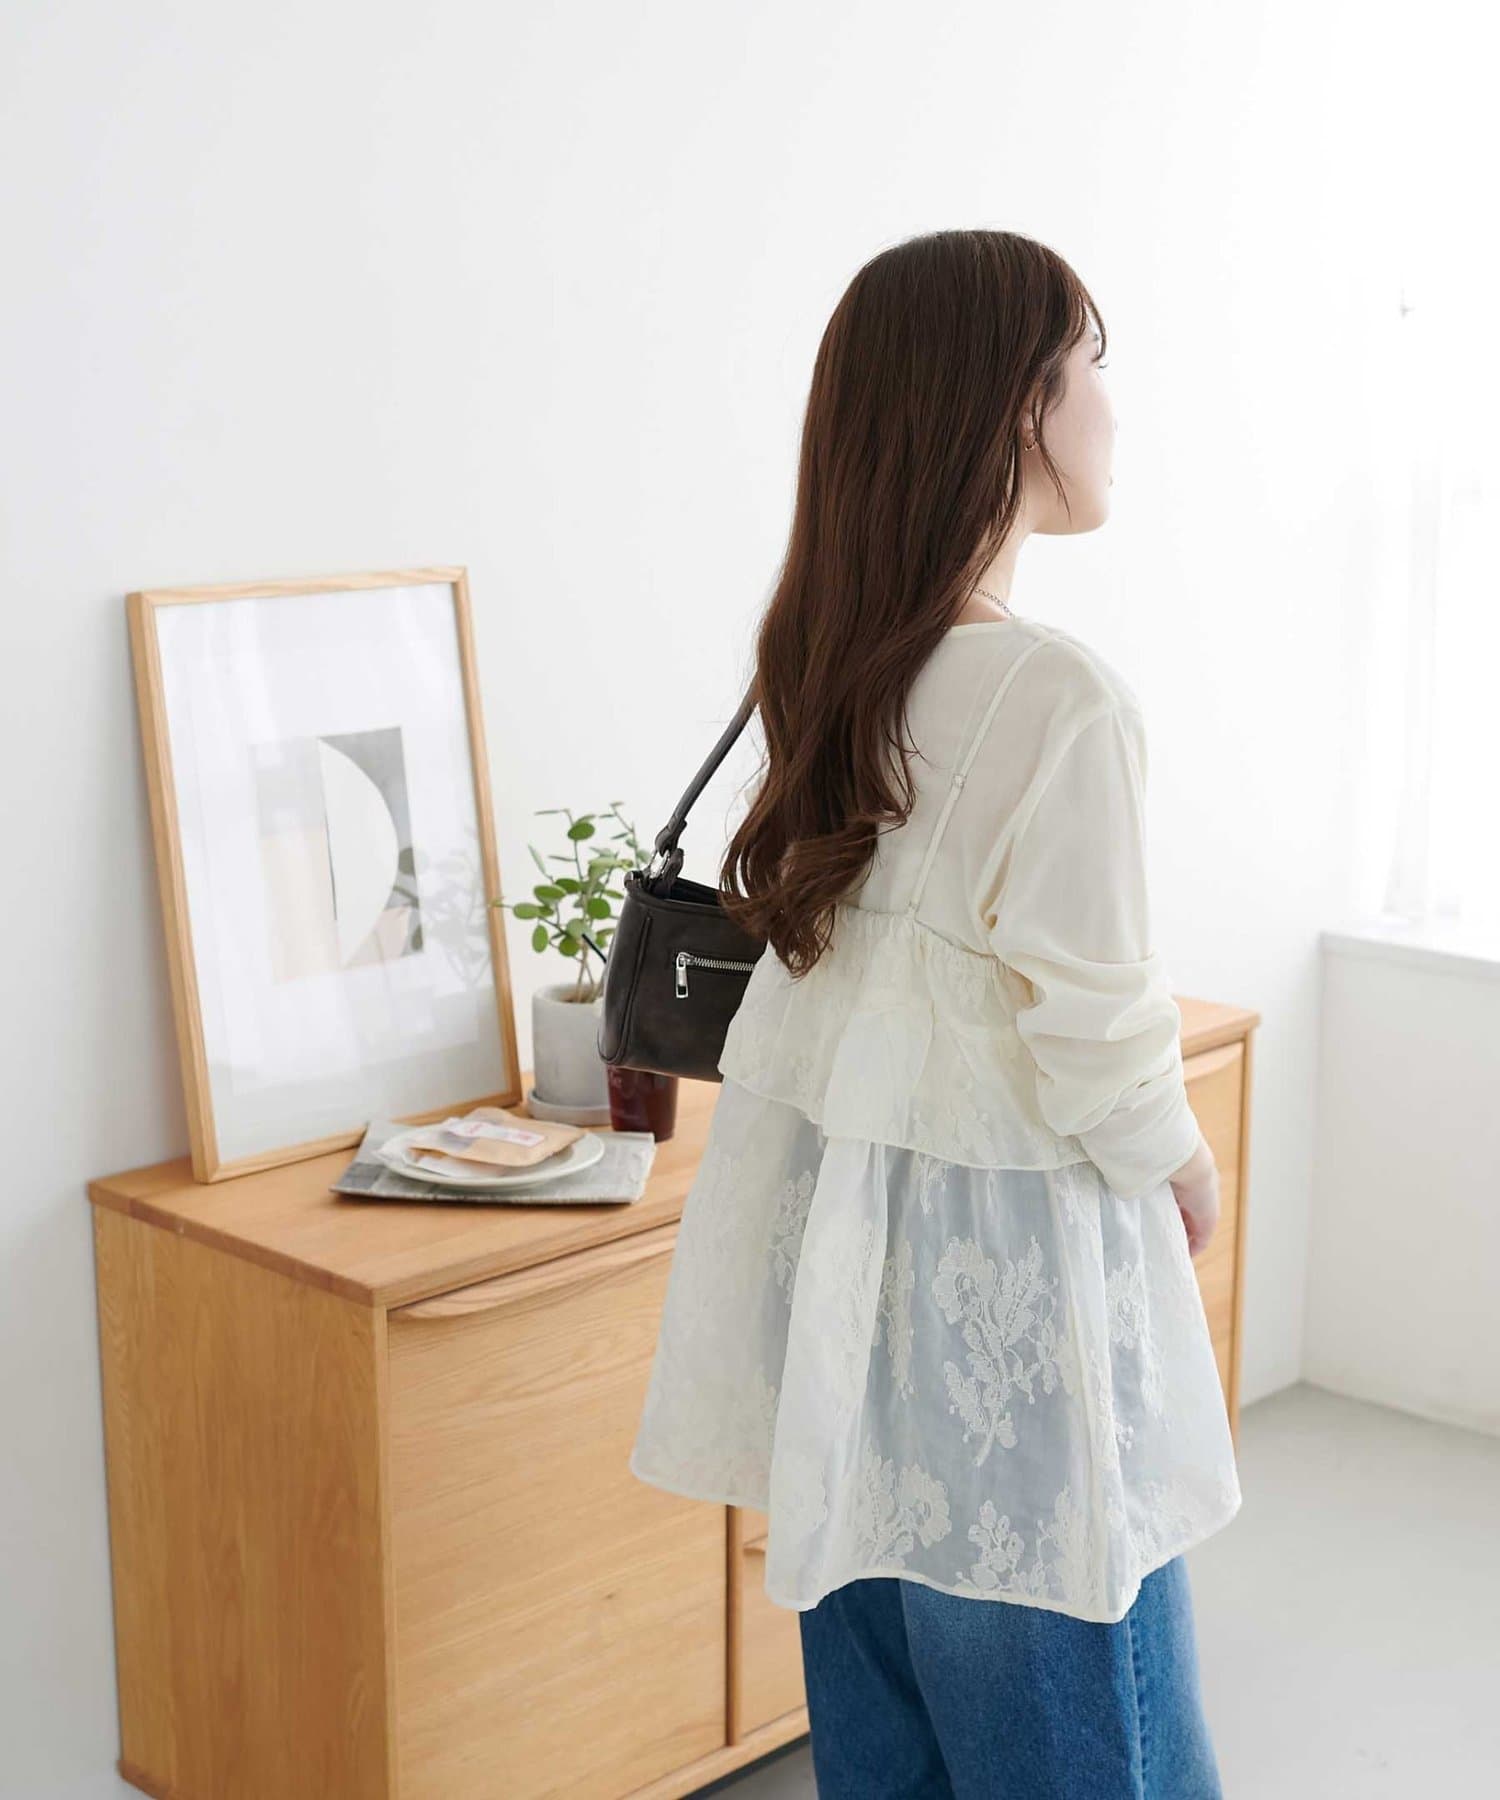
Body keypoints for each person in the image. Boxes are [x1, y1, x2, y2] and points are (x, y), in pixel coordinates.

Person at [628, 227, 1240, 1799]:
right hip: (1009, 1328)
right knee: (1083, 1742)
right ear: (1018, 404)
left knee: (888, 1746)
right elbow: (1094, 1031)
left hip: (841, 1317)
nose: (1112, 402)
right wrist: (1185, 1167)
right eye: (1092, 362)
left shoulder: (832, 665)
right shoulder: (1056, 698)